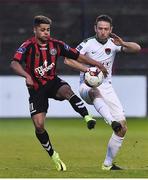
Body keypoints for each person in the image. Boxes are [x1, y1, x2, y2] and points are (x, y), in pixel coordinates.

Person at [10, 15, 108, 172]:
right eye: (42, 30)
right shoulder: (27, 45)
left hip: (52, 82)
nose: (46, 33)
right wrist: (27, 75)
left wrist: (97, 64)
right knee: (39, 126)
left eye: (48, 30)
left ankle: (87, 117)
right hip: (36, 89)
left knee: (67, 90)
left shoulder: (57, 45)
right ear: (34, 30)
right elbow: (14, 63)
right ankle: (54, 155)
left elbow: (78, 56)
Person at [65, 14, 141, 170]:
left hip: (107, 87)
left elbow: (137, 49)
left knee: (123, 127)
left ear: (111, 30)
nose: (103, 32)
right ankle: (110, 121)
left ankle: (107, 164)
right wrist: (89, 70)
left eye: (106, 29)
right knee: (94, 92)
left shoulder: (114, 43)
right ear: (95, 29)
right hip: (87, 85)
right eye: (100, 28)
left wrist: (124, 43)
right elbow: (67, 59)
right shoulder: (87, 44)